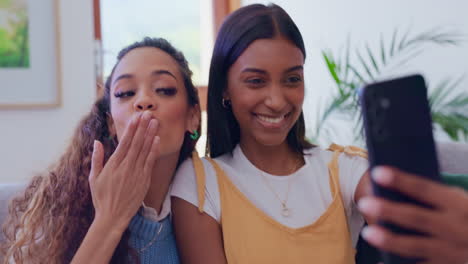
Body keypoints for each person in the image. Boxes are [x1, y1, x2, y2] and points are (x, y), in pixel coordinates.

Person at [170, 3, 468, 264]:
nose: (276, 100)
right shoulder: (199, 183)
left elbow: (414, 238)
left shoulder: (344, 170)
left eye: (292, 79)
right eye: (256, 81)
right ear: (225, 88)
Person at [1, 37, 200, 264]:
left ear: (192, 117)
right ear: (111, 124)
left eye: (164, 89)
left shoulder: (208, 201)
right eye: (125, 93)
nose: (143, 101)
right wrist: (109, 218)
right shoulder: (60, 212)